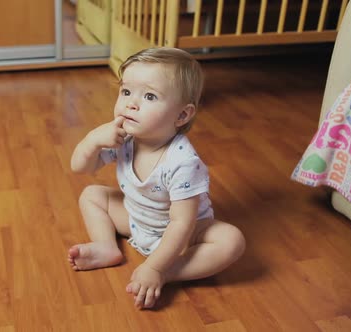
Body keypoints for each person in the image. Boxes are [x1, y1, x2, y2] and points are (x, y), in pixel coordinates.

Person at [68, 47, 245, 309]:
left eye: (149, 96)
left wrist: (155, 267)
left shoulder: (183, 162)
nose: (131, 103)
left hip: (184, 235)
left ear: (182, 115)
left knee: (231, 241)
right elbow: (80, 167)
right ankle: (106, 246)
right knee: (92, 195)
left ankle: (168, 273)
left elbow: (181, 224)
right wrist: (92, 140)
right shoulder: (124, 136)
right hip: (137, 219)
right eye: (126, 91)